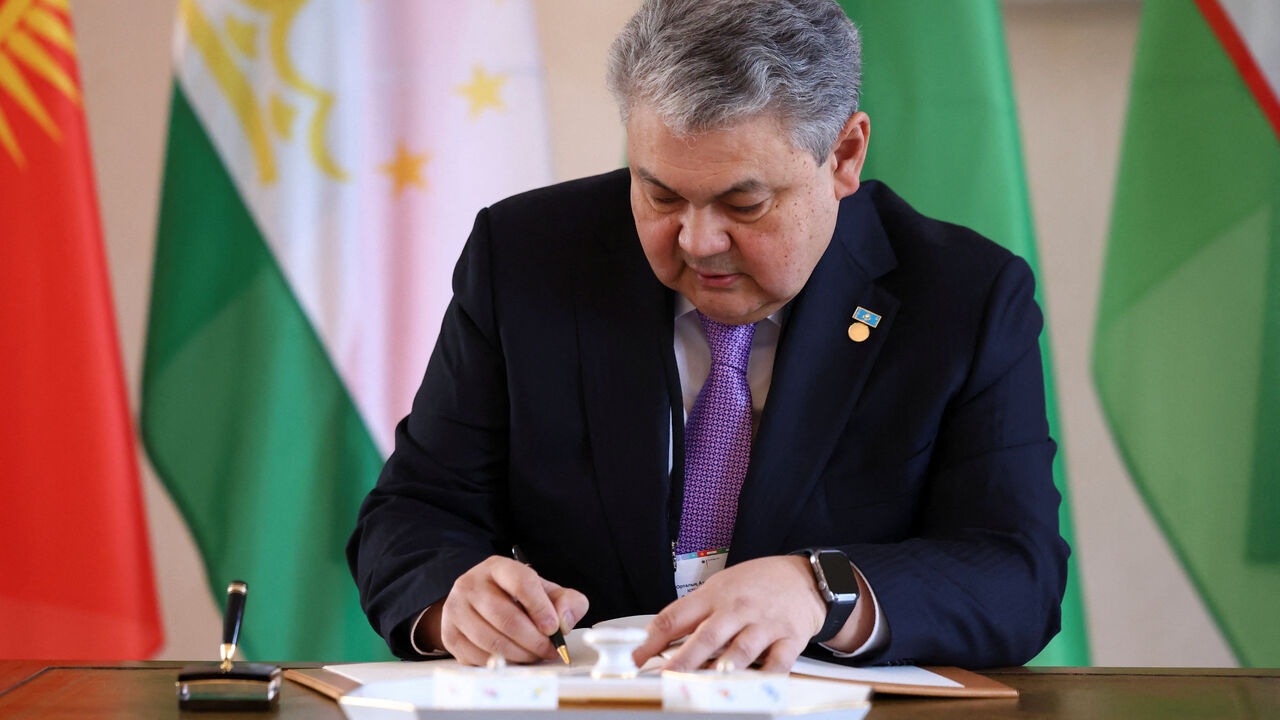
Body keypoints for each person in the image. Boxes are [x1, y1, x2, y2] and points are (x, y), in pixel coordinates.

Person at [348, 0, 1068, 671]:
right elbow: (414, 513)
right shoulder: (528, 257)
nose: (697, 241)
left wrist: (823, 589)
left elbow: (1015, 572)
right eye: (659, 194)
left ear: (844, 156)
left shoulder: (963, 296)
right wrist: (456, 600)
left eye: (743, 203)